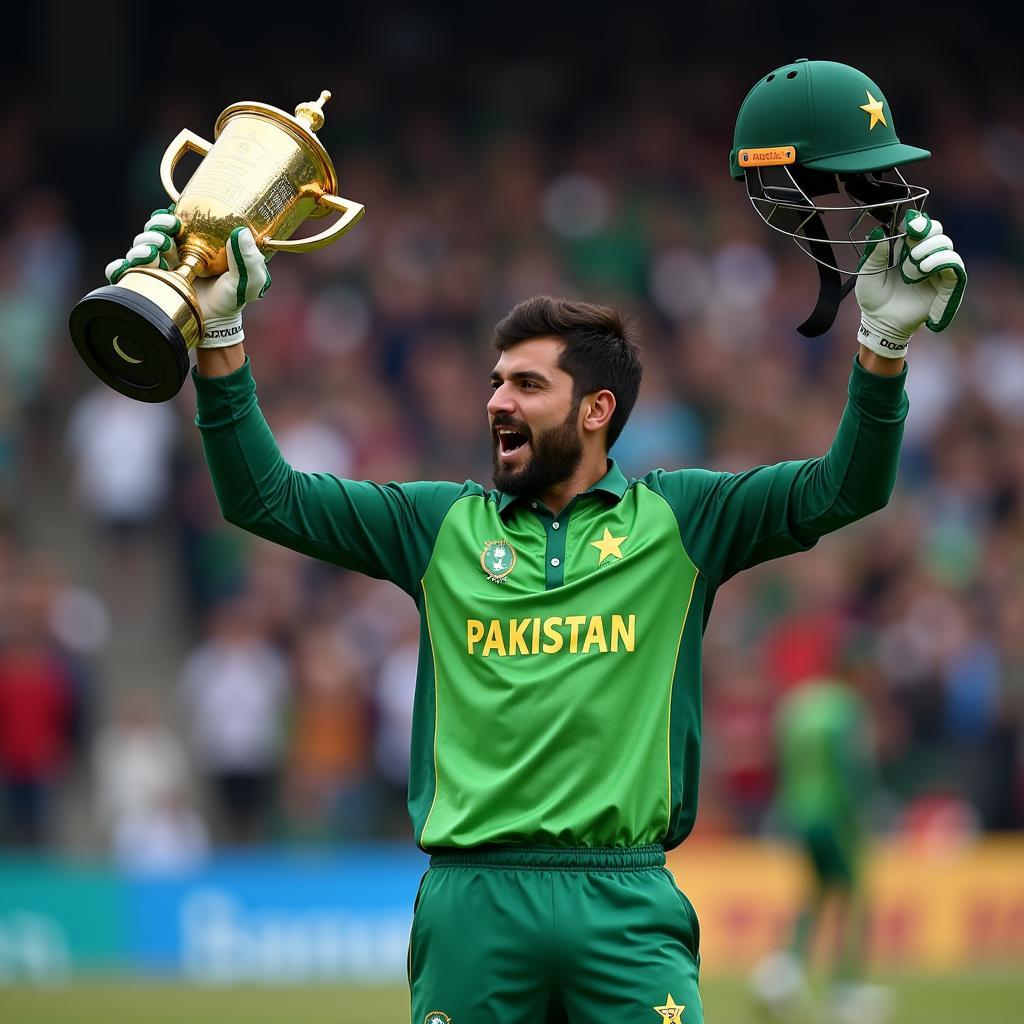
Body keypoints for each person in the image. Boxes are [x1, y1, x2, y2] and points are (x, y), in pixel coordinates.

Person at [103, 87, 966, 1024]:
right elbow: (261, 497)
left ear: (597, 410)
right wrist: (222, 340)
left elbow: (849, 487)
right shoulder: (437, 526)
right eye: (493, 382)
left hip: (626, 902)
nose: (495, 402)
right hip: (475, 904)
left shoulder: (684, 519)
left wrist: (883, 346)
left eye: (526, 383)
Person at [750, 678, 890, 1024]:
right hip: (832, 814)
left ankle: (786, 971)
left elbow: (781, 759)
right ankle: (845, 986)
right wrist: (864, 807)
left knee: (818, 891)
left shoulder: (800, 708)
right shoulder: (844, 710)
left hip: (800, 812)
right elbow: (848, 765)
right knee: (855, 893)